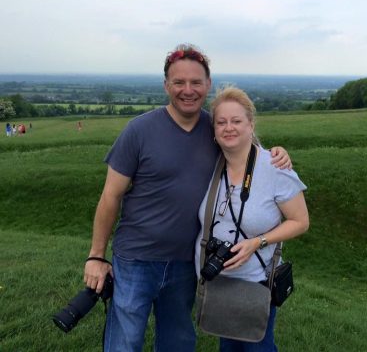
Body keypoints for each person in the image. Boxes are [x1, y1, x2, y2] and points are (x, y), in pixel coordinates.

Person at [83, 44, 291, 352]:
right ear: (166, 85)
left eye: (196, 82)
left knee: (177, 341)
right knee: (125, 341)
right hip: (136, 260)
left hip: (185, 263)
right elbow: (110, 197)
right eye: (178, 82)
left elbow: (249, 151)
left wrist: (279, 154)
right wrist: (97, 256)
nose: (187, 90)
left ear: (208, 84)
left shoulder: (216, 129)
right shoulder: (139, 130)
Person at [195, 87, 309, 352]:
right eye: (221, 122)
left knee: (257, 347)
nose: (228, 128)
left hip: (257, 283)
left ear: (251, 124)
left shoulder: (274, 167)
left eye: (236, 121)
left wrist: (258, 242)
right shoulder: (212, 164)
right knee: (228, 347)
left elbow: (301, 221)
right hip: (220, 281)